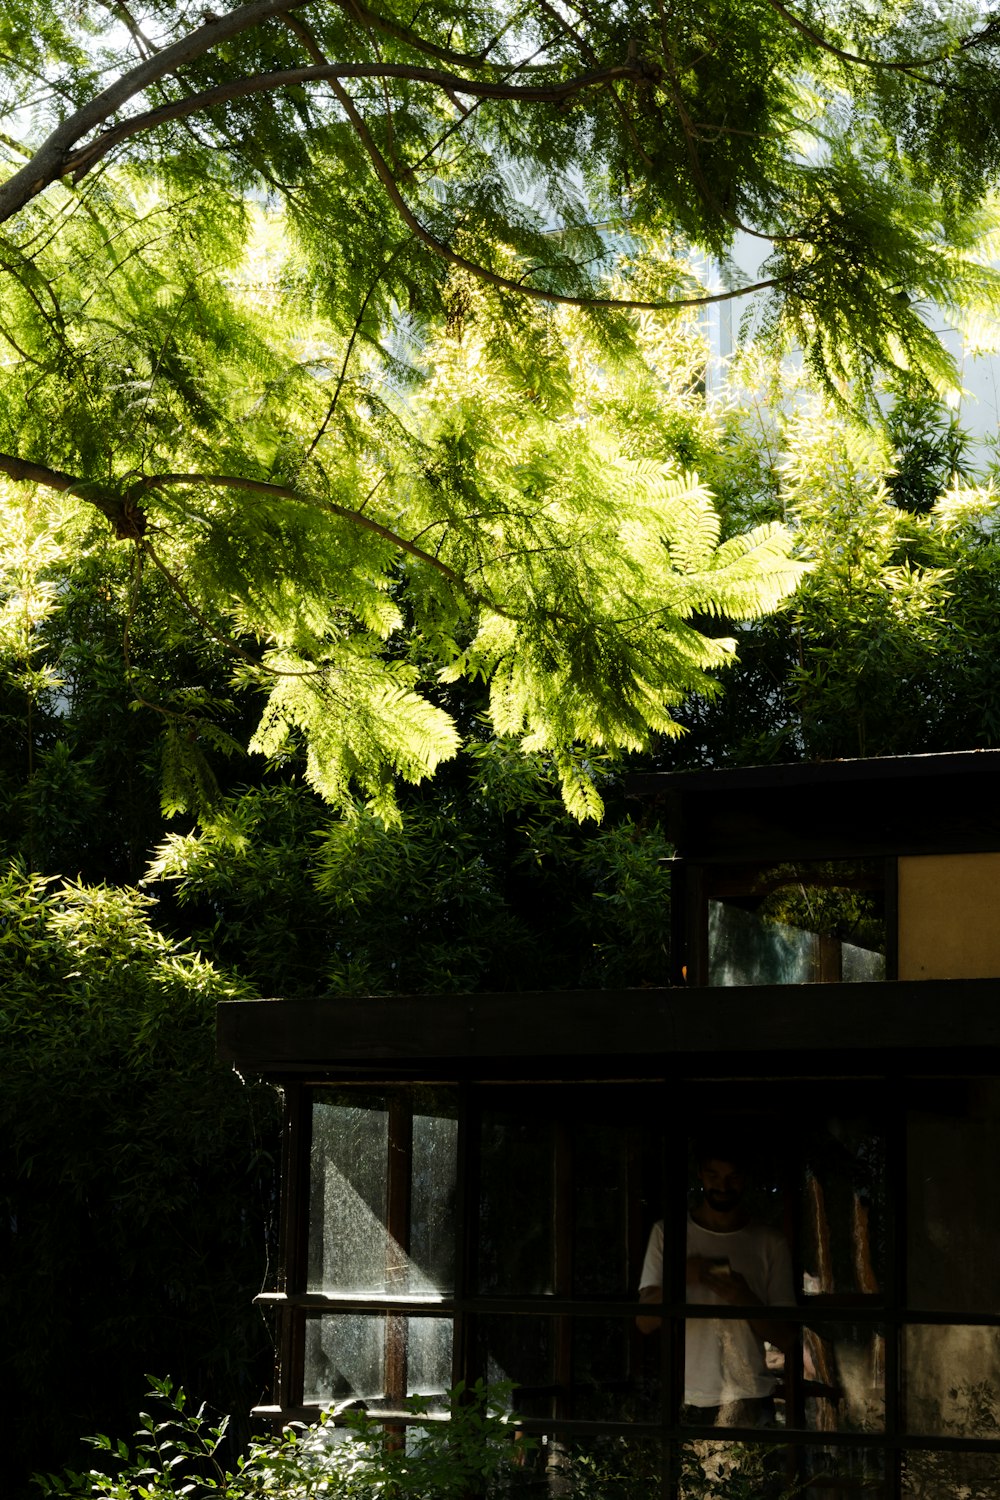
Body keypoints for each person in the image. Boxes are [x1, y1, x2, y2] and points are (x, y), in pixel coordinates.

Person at [636, 1142, 795, 1427]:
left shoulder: (770, 1243)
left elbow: (787, 1336)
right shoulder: (667, 1234)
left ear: (745, 1178)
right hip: (686, 1396)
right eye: (714, 1175)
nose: (722, 1185)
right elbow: (644, 1321)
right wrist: (684, 1274)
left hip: (750, 1396)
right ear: (700, 1174)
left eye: (732, 1176)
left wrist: (744, 1298)